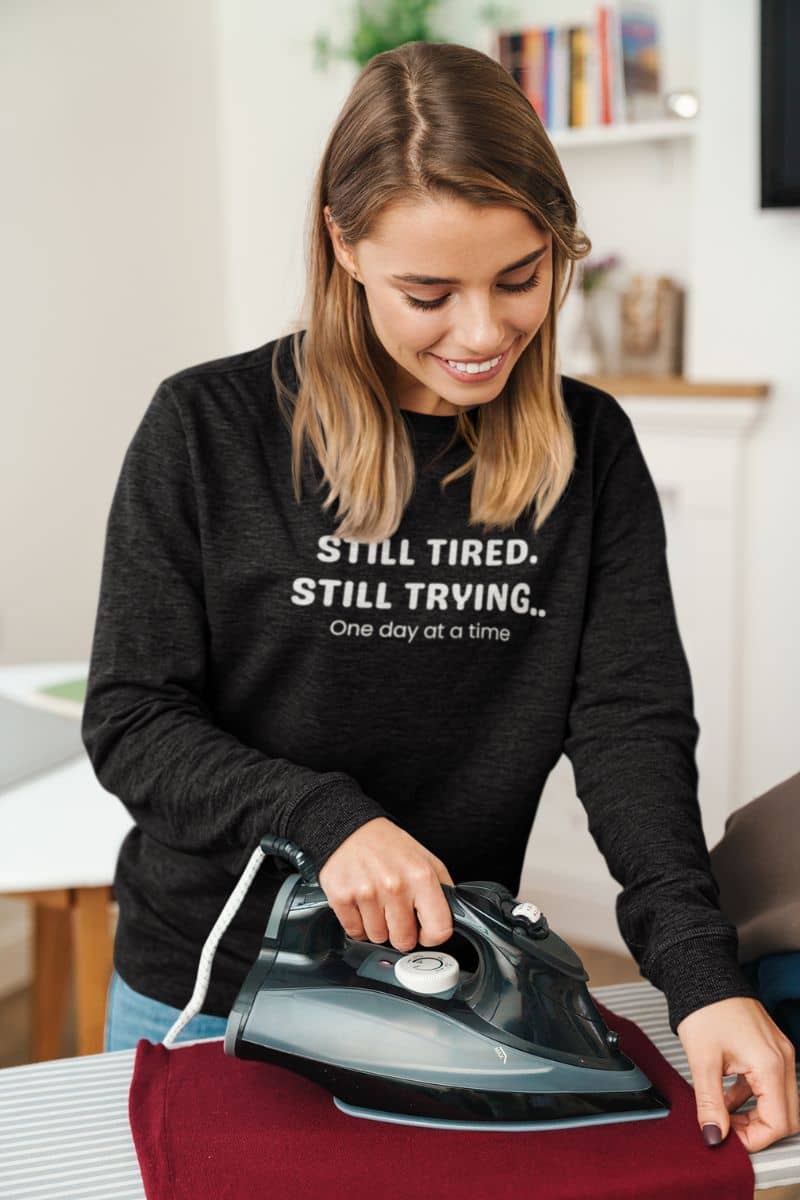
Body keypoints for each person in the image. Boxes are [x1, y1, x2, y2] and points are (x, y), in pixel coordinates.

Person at [82, 40, 798, 1152]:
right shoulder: (204, 430)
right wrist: (327, 821)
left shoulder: (586, 446)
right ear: (342, 246)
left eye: (520, 278)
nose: (481, 334)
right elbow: (132, 719)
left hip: (444, 994)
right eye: (428, 292)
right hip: (208, 991)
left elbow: (628, 733)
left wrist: (702, 981)